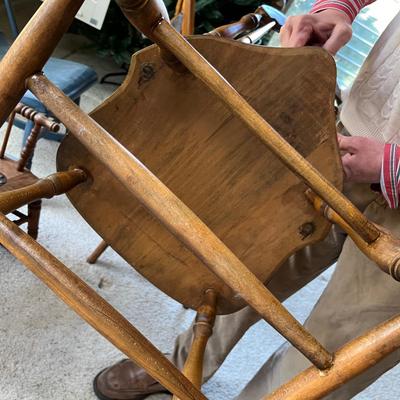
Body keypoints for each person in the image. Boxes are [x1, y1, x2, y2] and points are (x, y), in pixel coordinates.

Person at [93, 0, 400, 398]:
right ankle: (184, 362)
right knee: (256, 262)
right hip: (358, 130)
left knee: (340, 343)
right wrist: (337, 7)